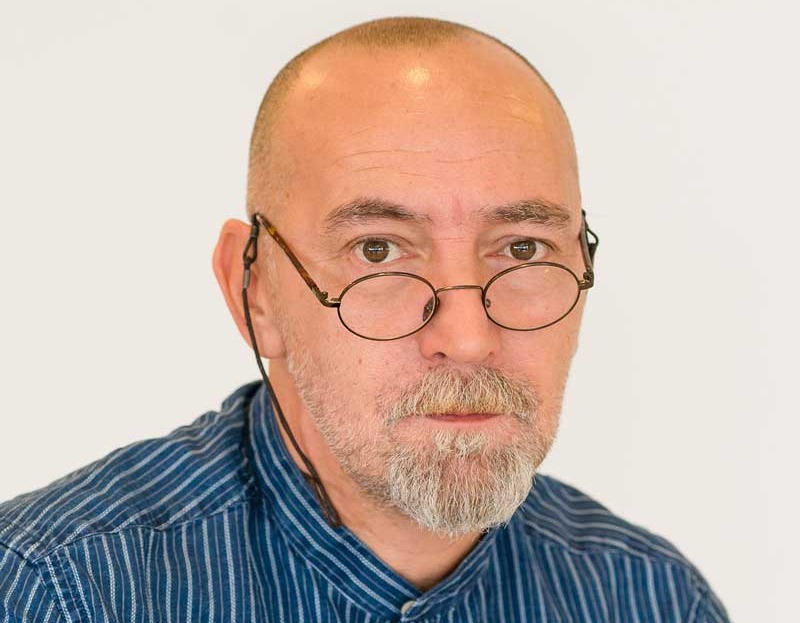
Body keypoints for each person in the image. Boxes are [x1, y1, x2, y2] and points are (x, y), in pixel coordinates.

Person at [0, 16, 730, 622]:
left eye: (522, 248)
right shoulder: (58, 591)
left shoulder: (653, 600)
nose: (468, 338)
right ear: (254, 288)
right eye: (377, 251)